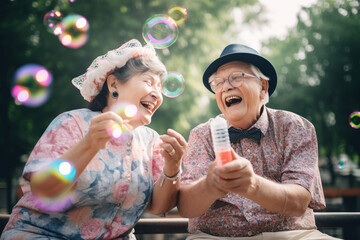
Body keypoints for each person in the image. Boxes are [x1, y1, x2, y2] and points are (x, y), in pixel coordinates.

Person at [1, 39, 187, 240]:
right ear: (114, 83)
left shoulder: (151, 141)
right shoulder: (72, 123)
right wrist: (89, 144)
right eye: (149, 82)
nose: (156, 94)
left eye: (159, 88)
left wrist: (173, 166)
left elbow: (159, 207)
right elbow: (42, 189)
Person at [177, 44, 341, 239]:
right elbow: (186, 208)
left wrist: (253, 185)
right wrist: (210, 186)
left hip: (293, 235)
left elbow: (299, 202)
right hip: (217, 237)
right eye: (218, 82)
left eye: (237, 77)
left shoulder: (295, 127)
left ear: (263, 88)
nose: (226, 86)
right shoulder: (202, 135)